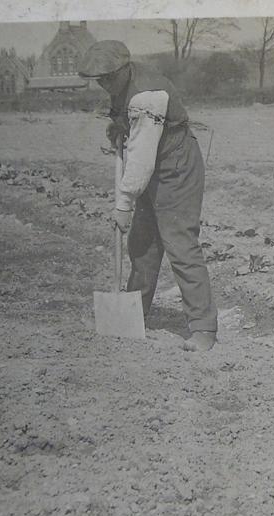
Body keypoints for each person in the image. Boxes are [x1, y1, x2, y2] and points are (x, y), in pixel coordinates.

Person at [78, 40, 218, 351]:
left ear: (124, 68)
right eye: (99, 80)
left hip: (176, 168)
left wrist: (123, 204)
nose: (104, 85)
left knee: (180, 243)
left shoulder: (147, 95)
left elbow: (141, 157)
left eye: (109, 78)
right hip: (153, 164)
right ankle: (134, 313)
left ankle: (204, 329)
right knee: (142, 244)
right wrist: (118, 126)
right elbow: (131, 130)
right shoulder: (125, 85)